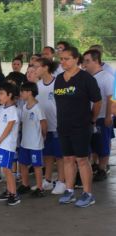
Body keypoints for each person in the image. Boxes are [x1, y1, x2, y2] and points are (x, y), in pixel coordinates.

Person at [54, 47, 102, 207]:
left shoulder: (86, 78)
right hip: (63, 126)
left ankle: (88, 194)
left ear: (76, 59)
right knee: (67, 158)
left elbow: (97, 101)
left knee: (82, 159)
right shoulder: (59, 79)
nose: (63, 62)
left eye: (66, 58)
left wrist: (92, 119)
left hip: (81, 126)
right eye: (61, 59)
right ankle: (69, 190)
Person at [34, 57, 66, 195]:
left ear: (46, 67)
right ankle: (47, 180)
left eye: (36, 67)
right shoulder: (37, 86)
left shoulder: (58, 83)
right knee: (47, 155)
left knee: (60, 156)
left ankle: (61, 182)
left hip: (58, 126)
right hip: (44, 127)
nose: (34, 70)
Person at [83, 49, 114, 182]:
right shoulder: (87, 76)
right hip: (89, 117)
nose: (84, 64)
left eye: (87, 61)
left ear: (96, 61)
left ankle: (102, 169)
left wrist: (108, 117)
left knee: (102, 145)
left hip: (102, 117)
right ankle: (95, 166)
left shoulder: (107, 77)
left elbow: (110, 99)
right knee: (93, 144)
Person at [18, 82, 47, 197]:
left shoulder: (38, 108)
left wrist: (43, 136)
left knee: (36, 166)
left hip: (35, 143)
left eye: (22, 91)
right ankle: (25, 185)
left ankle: (40, 188)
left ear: (29, 93)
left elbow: (44, 123)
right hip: (25, 142)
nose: (20, 94)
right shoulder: (24, 106)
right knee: (23, 163)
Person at [0, 82, 21, 206]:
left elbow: (9, 127)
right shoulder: (2, 109)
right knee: (5, 169)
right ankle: (9, 191)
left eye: (1, 93)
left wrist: (0, 139)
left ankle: (14, 194)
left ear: (9, 95)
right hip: (1, 144)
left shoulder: (12, 110)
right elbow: (0, 126)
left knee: (7, 169)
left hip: (8, 145)